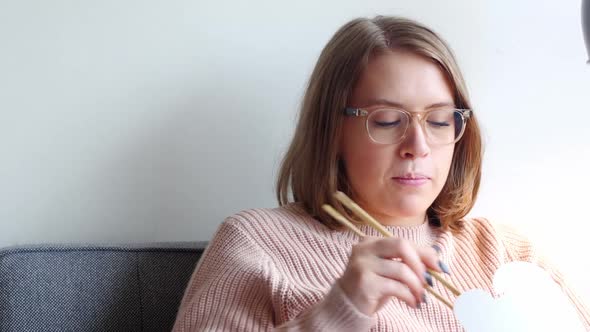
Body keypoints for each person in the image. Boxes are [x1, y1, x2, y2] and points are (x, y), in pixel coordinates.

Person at [172, 16, 590, 331]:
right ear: (332, 130)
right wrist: (338, 312)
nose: (418, 145)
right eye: (388, 120)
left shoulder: (508, 253)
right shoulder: (256, 244)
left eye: (440, 121)